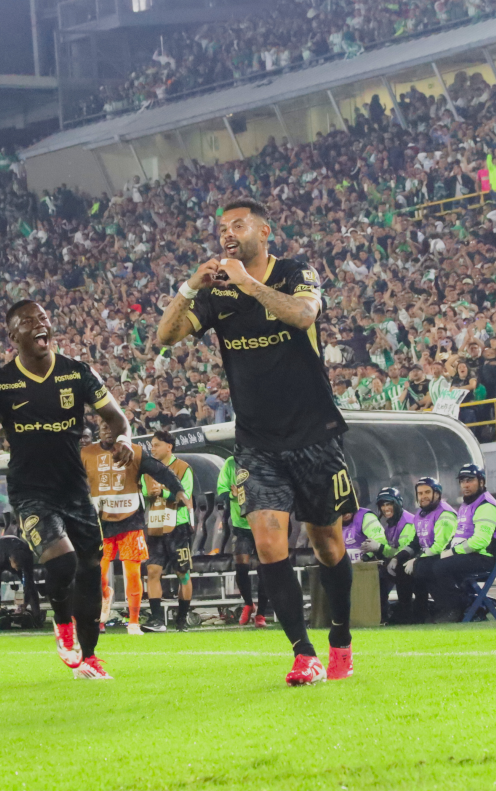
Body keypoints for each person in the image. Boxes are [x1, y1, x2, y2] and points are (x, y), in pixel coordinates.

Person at [157, 197, 359, 685]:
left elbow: (304, 317)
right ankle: (302, 653)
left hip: (313, 433)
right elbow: (166, 335)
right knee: (269, 543)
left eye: (238, 225)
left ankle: (340, 639)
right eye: (222, 227)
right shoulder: (215, 293)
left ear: (264, 231)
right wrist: (190, 287)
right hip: (256, 442)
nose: (228, 233)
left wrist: (247, 284)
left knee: (328, 546)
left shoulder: (294, 273)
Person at [0, 298, 135, 680]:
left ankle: (89, 657)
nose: (41, 324)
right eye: (29, 321)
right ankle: (61, 624)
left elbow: (117, 419)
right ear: (13, 334)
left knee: (88, 572)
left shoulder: (77, 373)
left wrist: (126, 441)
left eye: (45, 318)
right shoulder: (0, 382)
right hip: (30, 491)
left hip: (74, 489)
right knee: (63, 561)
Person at [82, 432, 187, 636]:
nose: (107, 429)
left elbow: (159, 470)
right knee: (98, 575)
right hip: (100, 522)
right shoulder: (87, 453)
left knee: (132, 573)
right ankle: (103, 602)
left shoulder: (135, 451)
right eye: (103, 425)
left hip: (130, 520)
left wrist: (178, 488)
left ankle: (133, 622)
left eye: (111, 424)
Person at [414, 465, 496, 622]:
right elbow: (458, 535)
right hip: (466, 554)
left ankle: (459, 607)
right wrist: (449, 549)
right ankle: (449, 606)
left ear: (481, 482)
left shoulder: (486, 506)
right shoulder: (466, 505)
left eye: (470, 480)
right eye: (462, 481)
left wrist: (453, 552)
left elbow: (480, 541)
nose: (465, 485)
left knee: (440, 566)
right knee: (422, 566)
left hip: (483, 557)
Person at [140, 431, 196, 632]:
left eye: (156, 445)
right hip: (155, 527)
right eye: (151, 445)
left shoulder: (183, 468)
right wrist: (152, 493)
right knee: (152, 571)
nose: (152, 449)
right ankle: (157, 619)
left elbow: (185, 497)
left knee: (183, 573)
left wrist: (163, 492)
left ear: (169, 447)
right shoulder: (148, 470)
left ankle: (182, 619)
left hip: (178, 527)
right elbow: (145, 493)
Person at [216, 454, 267, 627]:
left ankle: (261, 614)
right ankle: (248, 603)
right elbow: (222, 491)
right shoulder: (230, 463)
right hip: (240, 524)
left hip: (262, 523)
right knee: (241, 564)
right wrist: (232, 494)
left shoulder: (263, 460)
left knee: (264, 568)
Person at [403, 477, 457, 624]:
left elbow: (440, 546)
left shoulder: (444, 514)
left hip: (448, 557)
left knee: (422, 568)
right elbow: (415, 542)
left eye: (427, 492)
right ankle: (418, 612)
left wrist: (417, 559)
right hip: (431, 556)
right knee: (403, 567)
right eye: (420, 493)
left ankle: (450, 609)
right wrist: (399, 557)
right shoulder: (419, 514)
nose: (423, 496)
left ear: (437, 494)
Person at [364, 487, 416, 624]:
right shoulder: (391, 524)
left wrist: (379, 547)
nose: (385, 508)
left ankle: (405, 614)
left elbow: (404, 552)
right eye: (382, 505)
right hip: (398, 564)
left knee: (399, 570)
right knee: (378, 575)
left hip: (413, 563)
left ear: (398, 504)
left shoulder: (408, 522)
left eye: (389, 504)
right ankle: (381, 614)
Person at [0, 533, 40, 618]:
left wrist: (25, 604)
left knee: (31, 585)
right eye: (16, 568)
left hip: (17, 549)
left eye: (19, 568)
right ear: (10, 560)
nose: (17, 570)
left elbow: (28, 581)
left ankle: (37, 616)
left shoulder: (27, 555)